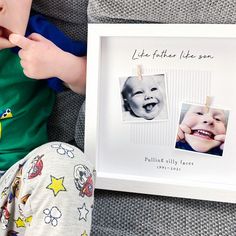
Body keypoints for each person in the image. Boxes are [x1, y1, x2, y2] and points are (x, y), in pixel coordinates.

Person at [0, 0, 94, 235]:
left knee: (67, 160)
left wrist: (63, 65)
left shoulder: (37, 40)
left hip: (16, 188)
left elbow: (99, 80)